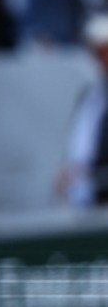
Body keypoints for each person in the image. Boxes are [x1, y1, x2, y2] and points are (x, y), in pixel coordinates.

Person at [56, 13, 108, 206]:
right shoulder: (90, 96)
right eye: (99, 52)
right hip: (86, 204)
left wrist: (89, 174)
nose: (102, 59)